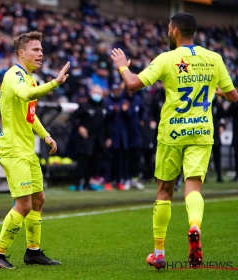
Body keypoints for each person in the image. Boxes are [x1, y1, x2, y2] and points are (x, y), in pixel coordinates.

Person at [110, 12, 238, 269]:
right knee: (193, 187)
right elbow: (234, 96)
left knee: (164, 190)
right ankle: (194, 226)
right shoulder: (214, 58)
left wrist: (123, 65)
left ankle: (158, 253)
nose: (168, 32)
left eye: (169, 28)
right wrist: (218, 92)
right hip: (201, 132)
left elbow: (134, 83)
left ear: (176, 31)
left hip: (172, 133)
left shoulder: (166, 59)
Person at [0, 31, 70, 269]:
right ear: (21, 53)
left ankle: (33, 252)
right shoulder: (14, 76)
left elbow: (30, 115)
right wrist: (55, 82)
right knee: (23, 205)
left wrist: (46, 136)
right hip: (13, 151)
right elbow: (26, 95)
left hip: (26, 150)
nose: (40, 53)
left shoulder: (30, 78)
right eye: (35, 49)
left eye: (42, 50)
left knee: (38, 200)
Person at [70, 84, 111, 191]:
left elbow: (108, 124)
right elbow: (73, 118)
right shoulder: (84, 106)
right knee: (83, 161)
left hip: (98, 140)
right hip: (85, 139)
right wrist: (79, 127)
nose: (97, 95)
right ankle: (78, 183)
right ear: (90, 93)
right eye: (95, 92)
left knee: (94, 162)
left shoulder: (104, 107)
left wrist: (108, 137)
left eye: (99, 93)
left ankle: (88, 183)